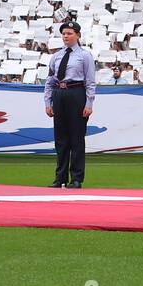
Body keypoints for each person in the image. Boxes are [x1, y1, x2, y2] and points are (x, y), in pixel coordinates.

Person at [44, 21, 96, 189]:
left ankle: (76, 178)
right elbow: (50, 80)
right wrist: (48, 101)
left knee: (76, 138)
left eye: (69, 33)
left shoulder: (84, 55)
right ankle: (60, 177)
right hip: (60, 94)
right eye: (64, 33)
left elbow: (90, 81)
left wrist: (89, 102)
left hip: (76, 93)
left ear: (78, 35)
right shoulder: (57, 56)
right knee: (60, 139)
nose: (66, 36)